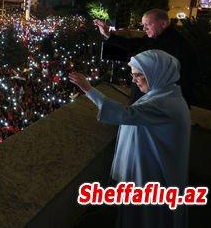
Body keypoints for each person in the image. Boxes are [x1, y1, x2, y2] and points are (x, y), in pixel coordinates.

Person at [70, 49, 191, 228]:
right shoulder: (166, 94)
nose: (133, 80)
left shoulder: (166, 103)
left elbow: (126, 115)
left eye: (137, 75)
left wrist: (89, 90)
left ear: (155, 73)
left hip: (152, 174)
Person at [94, 8, 195, 107]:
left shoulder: (176, 44)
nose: (144, 28)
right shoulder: (156, 37)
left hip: (157, 101)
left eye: (147, 24)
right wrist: (108, 35)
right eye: (143, 25)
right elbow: (134, 45)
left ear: (163, 24)